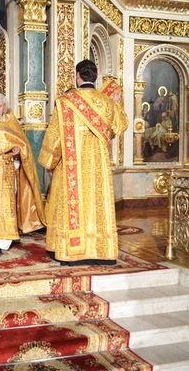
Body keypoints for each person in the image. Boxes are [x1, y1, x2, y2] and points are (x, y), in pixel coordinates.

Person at [39, 60, 128, 266]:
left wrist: (49, 162)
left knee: (71, 204)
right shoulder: (106, 102)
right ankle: (100, 250)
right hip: (99, 167)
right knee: (97, 204)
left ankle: (72, 251)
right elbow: (120, 126)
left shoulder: (66, 101)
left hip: (71, 164)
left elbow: (55, 137)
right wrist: (115, 102)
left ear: (77, 75)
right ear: (94, 77)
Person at [0, 93, 46, 256]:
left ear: (4, 106)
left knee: (7, 203)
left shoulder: (12, 123)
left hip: (9, 167)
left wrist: (18, 152)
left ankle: (6, 237)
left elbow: (23, 147)